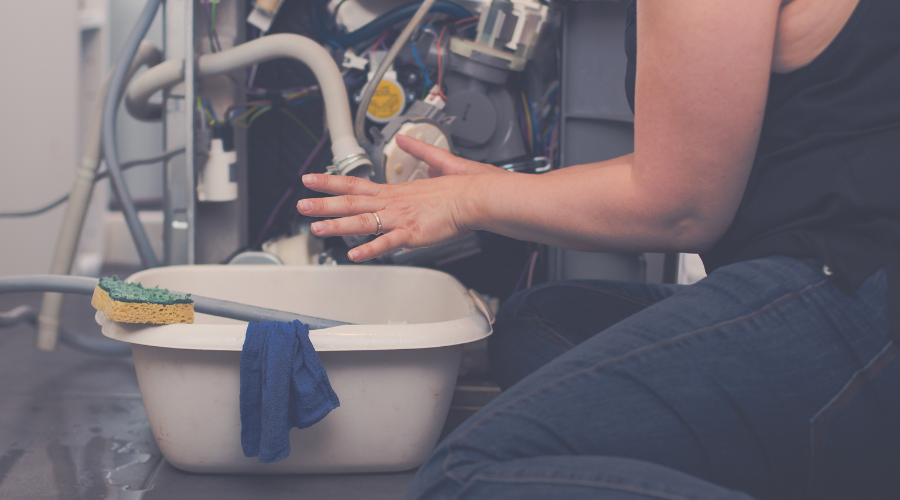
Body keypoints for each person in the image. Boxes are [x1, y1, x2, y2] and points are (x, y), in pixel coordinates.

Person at [297, 0, 900, 498]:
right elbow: (685, 163)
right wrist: (485, 189)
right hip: (839, 271)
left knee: (465, 478)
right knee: (538, 324)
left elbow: (680, 205)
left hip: (859, 291)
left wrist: (469, 202)